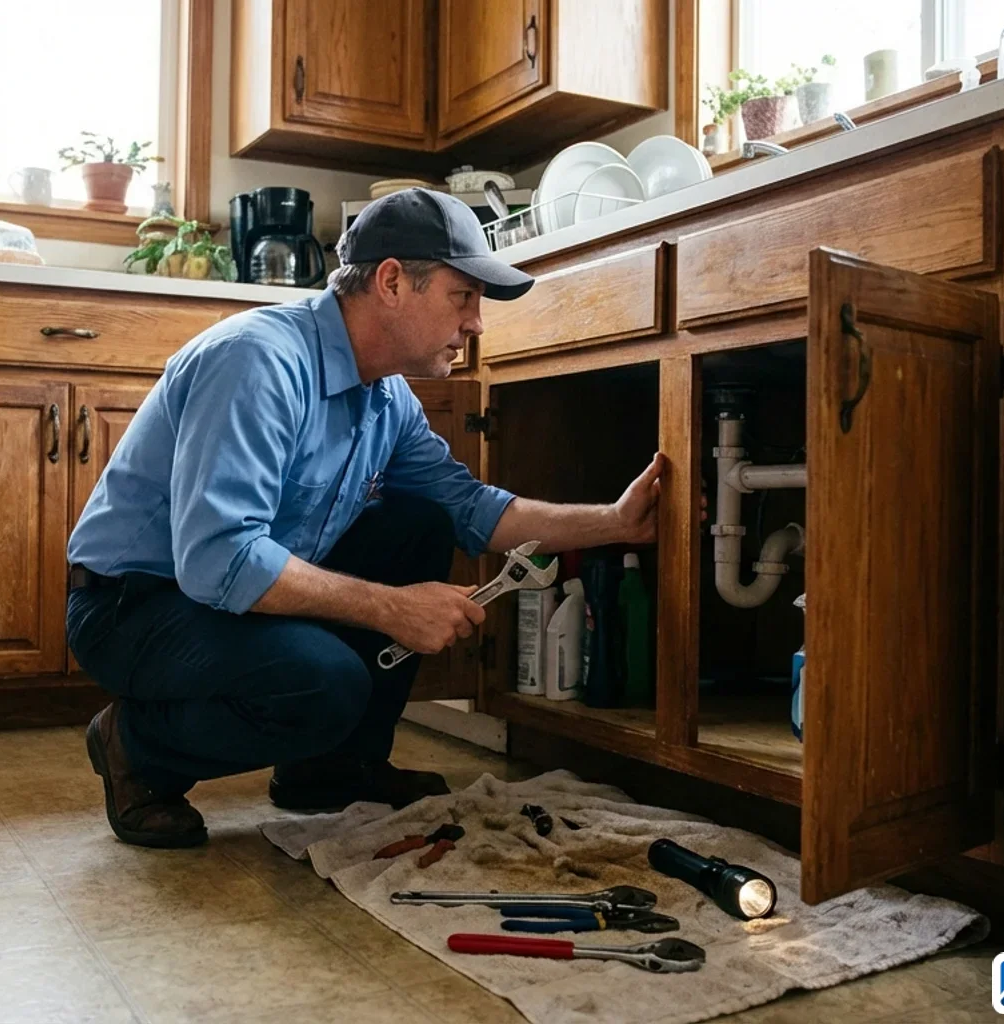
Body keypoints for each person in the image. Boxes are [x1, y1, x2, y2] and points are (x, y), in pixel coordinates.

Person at [66, 188, 664, 848]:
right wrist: (391, 608)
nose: (477, 324)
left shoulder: (389, 401)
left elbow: (469, 509)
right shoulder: (258, 361)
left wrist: (615, 521)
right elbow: (218, 560)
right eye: (463, 297)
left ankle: (330, 771)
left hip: (222, 596)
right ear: (391, 282)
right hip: (134, 606)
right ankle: (135, 748)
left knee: (420, 524)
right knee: (325, 684)